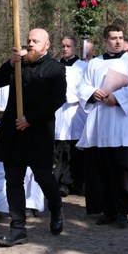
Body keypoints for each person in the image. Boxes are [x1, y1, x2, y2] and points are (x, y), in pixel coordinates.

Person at [0, 28, 67, 247]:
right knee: (13, 180)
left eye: (36, 41)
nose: (31, 44)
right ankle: (18, 229)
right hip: (13, 131)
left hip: (38, 132)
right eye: (29, 40)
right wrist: (8, 63)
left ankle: (56, 207)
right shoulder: (17, 64)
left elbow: (57, 99)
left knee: (44, 177)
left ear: (46, 45)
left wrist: (30, 119)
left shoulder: (55, 69)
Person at [76, 24, 128, 228]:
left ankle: (123, 211)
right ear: (105, 40)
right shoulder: (94, 63)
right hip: (101, 125)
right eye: (113, 38)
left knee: (124, 170)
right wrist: (93, 93)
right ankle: (107, 210)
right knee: (103, 170)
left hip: (125, 125)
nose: (117, 41)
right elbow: (82, 86)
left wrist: (116, 98)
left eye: (120, 37)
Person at [0, 85, 45, 223]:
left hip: (28, 134)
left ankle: (29, 205)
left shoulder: (37, 83)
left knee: (27, 172)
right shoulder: (5, 87)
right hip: (6, 134)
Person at [54, 35, 88, 197]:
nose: (65, 49)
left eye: (68, 46)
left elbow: (86, 88)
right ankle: (61, 181)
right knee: (60, 147)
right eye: (63, 46)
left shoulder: (83, 67)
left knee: (75, 148)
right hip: (59, 112)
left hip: (76, 111)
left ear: (75, 48)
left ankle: (75, 182)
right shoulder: (54, 66)